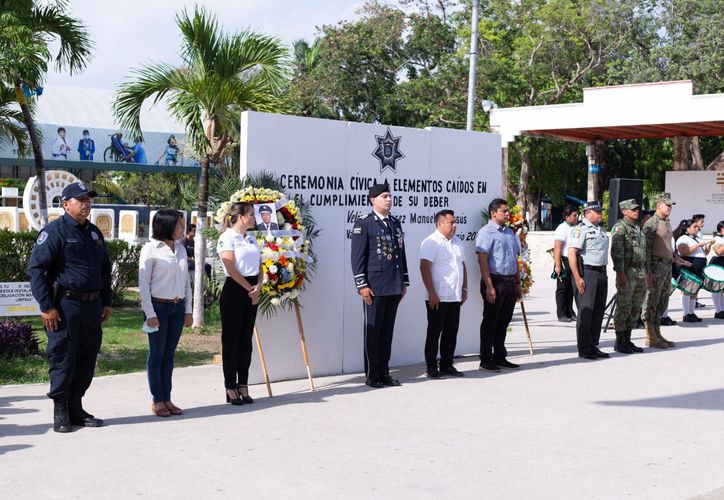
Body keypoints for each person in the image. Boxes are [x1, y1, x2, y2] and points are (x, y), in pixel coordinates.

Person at [27, 181, 112, 432]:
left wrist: (106, 301)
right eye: (80, 199)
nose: (86, 204)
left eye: (89, 199)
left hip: (91, 305)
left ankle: (76, 407)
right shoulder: (54, 232)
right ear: (65, 204)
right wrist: (46, 306)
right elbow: (37, 270)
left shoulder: (94, 233)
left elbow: (104, 270)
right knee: (64, 357)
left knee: (86, 358)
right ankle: (61, 409)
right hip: (65, 305)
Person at [351, 181, 409, 388]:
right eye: (384, 196)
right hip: (374, 286)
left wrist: (404, 280)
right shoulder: (364, 224)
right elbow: (357, 258)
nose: (389, 199)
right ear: (372, 200)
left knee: (386, 333)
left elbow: (401, 253)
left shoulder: (395, 223)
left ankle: (384, 373)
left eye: (390, 196)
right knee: (373, 331)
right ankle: (372, 375)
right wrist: (362, 285)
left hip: (393, 285)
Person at [138, 209, 193, 417]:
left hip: (177, 308)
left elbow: (186, 282)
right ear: (167, 226)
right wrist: (149, 313)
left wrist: (188, 310)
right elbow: (143, 285)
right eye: (179, 224)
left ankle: (167, 398)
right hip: (158, 308)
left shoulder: (180, 249)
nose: (182, 228)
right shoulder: (150, 249)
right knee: (156, 355)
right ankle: (157, 400)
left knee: (169, 355)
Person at [217, 202, 261, 405]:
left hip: (253, 289)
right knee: (232, 340)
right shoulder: (227, 237)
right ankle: (230, 386)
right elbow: (231, 267)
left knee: (246, 341)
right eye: (251, 214)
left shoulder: (251, 237)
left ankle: (243, 383)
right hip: (235, 289)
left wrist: (258, 286)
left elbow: (259, 265)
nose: (254, 218)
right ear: (241, 216)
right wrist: (247, 288)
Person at [419, 209, 468, 379]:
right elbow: (424, 268)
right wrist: (431, 293)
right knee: (434, 333)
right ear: (439, 223)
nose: (454, 225)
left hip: (454, 296)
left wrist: (465, 289)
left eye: (455, 222)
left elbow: (462, 266)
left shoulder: (458, 242)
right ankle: (431, 367)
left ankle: (447, 365)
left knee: (451, 332)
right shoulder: (431, 242)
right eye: (450, 222)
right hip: (438, 297)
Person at [475, 198, 521, 371]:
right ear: (493, 213)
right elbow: (482, 260)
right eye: (504, 211)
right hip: (495, 281)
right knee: (491, 321)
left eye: (507, 210)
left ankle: (500, 356)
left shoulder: (510, 233)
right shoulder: (486, 232)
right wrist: (489, 285)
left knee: (504, 321)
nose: (507, 213)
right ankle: (486, 359)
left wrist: (517, 282)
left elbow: (515, 259)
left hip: (510, 282)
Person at [642, 193, 689, 348]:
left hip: (667, 266)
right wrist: (648, 273)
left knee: (662, 301)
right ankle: (650, 336)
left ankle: (657, 333)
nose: (670, 208)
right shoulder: (651, 224)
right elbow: (646, 250)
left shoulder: (666, 222)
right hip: (655, 267)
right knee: (652, 301)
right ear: (658, 206)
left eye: (671, 205)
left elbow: (668, 247)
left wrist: (676, 258)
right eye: (667, 205)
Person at [568, 201, 610, 360]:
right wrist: (578, 277)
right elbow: (572, 253)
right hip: (587, 272)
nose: (600, 214)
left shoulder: (600, 229)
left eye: (600, 211)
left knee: (598, 311)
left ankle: (593, 345)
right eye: (597, 212)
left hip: (601, 272)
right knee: (586, 311)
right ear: (587, 213)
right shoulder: (580, 229)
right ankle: (584, 348)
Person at [610, 199, 645, 354]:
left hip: (640, 271)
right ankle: (619, 341)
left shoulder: (637, 228)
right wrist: (621, 272)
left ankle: (628, 339)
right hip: (627, 271)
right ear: (624, 211)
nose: (636, 211)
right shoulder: (620, 228)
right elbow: (617, 253)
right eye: (633, 209)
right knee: (624, 306)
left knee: (636, 306)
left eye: (637, 209)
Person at [675, 218, 712, 323]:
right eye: (694, 227)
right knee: (687, 290)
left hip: (699, 267)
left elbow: (704, 254)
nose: (697, 228)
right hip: (690, 266)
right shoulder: (683, 238)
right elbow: (684, 251)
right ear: (687, 229)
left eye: (697, 227)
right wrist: (697, 245)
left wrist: (708, 247)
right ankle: (686, 314)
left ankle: (691, 313)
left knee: (695, 291)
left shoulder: (696, 238)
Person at [554, 206, 578, 322]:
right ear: (567, 217)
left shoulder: (576, 227)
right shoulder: (562, 228)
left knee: (571, 288)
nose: (576, 217)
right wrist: (558, 266)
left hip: (573, 260)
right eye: (574, 215)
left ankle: (570, 311)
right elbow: (557, 248)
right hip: (564, 260)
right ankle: (561, 313)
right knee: (563, 288)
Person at [691, 214, 706, 309]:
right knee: (690, 285)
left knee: (697, 285)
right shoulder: (691, 235)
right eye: (702, 221)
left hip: (701, 260)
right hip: (693, 262)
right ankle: (689, 308)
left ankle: (695, 301)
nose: (703, 223)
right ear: (696, 221)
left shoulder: (700, 232)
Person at [710, 221, 724, 320]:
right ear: (722, 229)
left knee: (723, 289)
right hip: (718, 262)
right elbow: (719, 252)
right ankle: (718, 310)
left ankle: (722, 310)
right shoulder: (716, 239)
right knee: (717, 288)